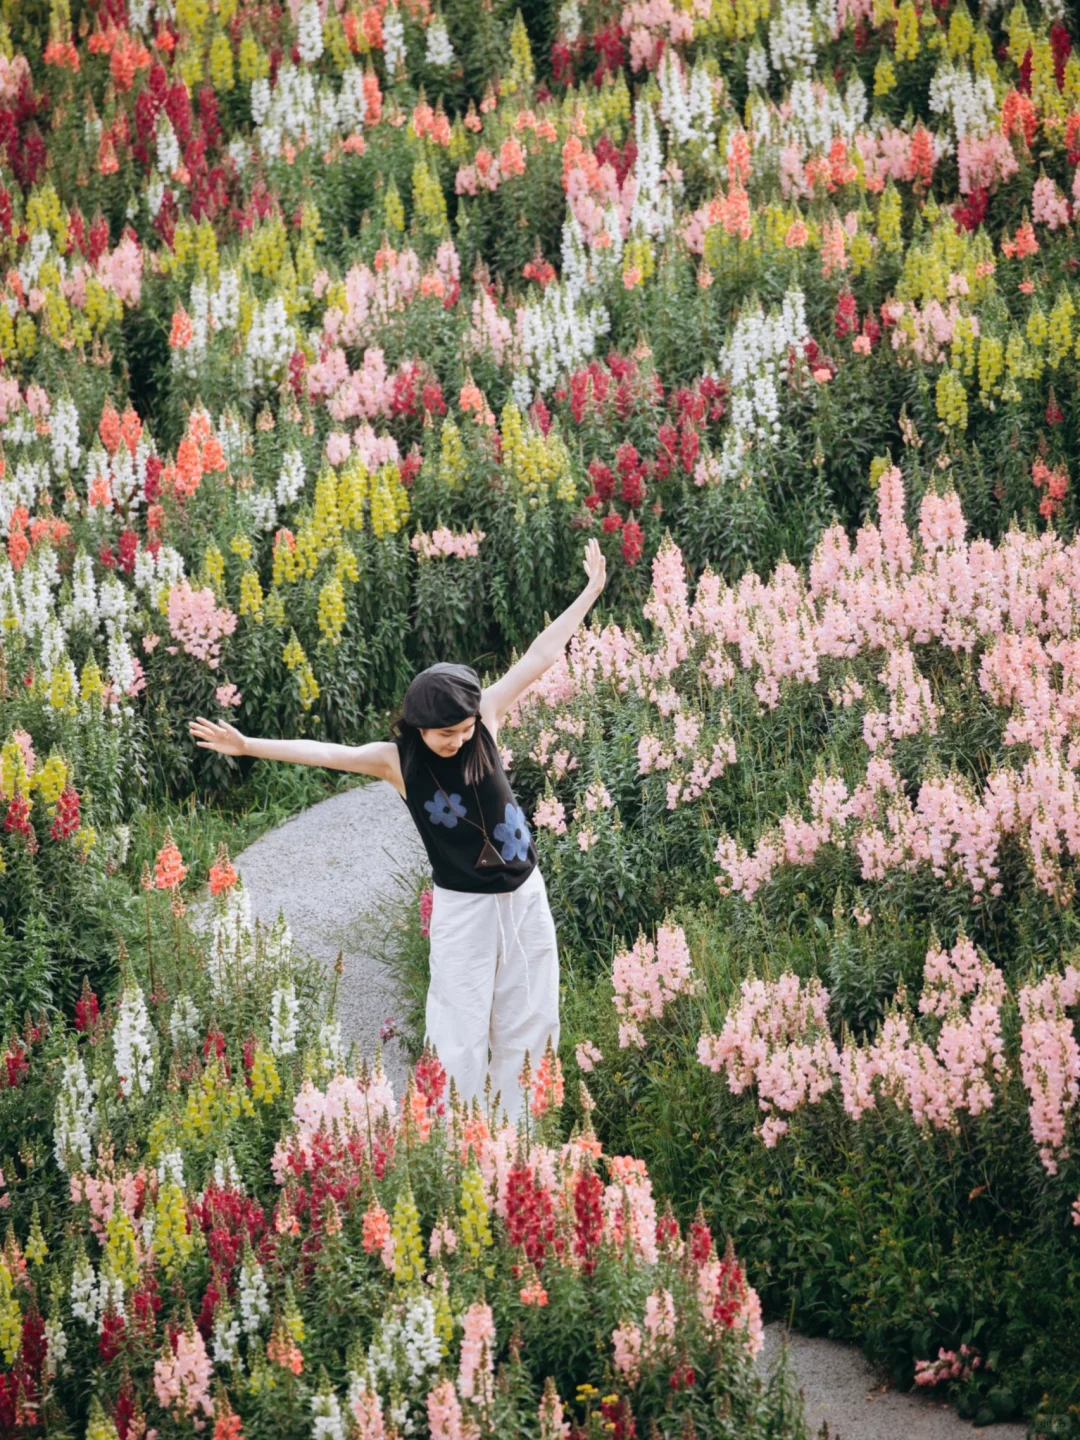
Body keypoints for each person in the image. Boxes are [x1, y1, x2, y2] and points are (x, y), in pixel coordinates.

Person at [189, 538, 607, 1123]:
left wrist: (589, 592)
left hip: (524, 897)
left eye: (463, 730)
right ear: (416, 726)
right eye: (446, 734)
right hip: (464, 908)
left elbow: (540, 657)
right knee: (458, 1024)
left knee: (532, 1017)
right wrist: (248, 745)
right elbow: (325, 753)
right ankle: (456, 1138)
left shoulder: (484, 718)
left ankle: (523, 1137)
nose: (458, 740)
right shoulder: (396, 761)